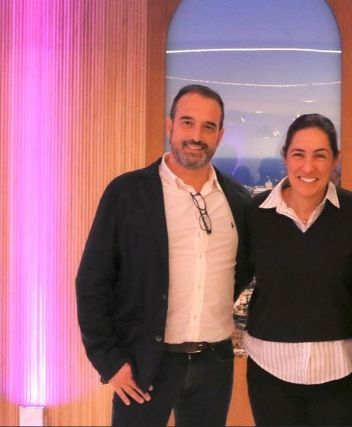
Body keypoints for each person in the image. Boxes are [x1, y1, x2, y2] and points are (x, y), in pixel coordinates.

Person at [76, 85, 251, 426]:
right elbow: (92, 282)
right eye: (187, 122)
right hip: (143, 363)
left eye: (208, 127)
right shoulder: (127, 193)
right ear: (170, 125)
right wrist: (109, 361)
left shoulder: (238, 201)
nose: (196, 136)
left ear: (220, 135)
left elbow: (240, 272)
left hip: (214, 364)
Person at [243, 113, 352, 426]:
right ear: (285, 156)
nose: (308, 167)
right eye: (298, 154)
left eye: (320, 155)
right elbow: (236, 276)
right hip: (270, 370)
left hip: (341, 372)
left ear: (335, 159)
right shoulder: (256, 213)